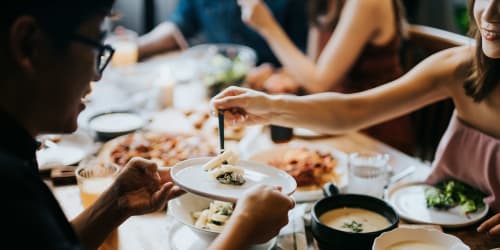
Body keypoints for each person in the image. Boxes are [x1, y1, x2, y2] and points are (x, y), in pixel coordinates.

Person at [0, 1, 294, 249]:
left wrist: (115, 204)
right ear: (28, 44)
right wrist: (243, 226)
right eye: (96, 48)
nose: (97, 74)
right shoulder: (10, 187)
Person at [212, 0, 500, 236]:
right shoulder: (460, 67)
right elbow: (353, 111)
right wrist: (270, 107)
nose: (489, 13)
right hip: (432, 224)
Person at [238, 0, 416, 154]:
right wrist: (280, 74)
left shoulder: (367, 3)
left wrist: (267, 26)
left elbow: (319, 83)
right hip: (336, 119)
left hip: (372, 130)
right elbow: (315, 67)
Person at [137, 0, 308, 65]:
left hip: (273, 93)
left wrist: (280, 74)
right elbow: (178, 25)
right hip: (214, 82)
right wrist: (135, 48)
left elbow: (307, 61)